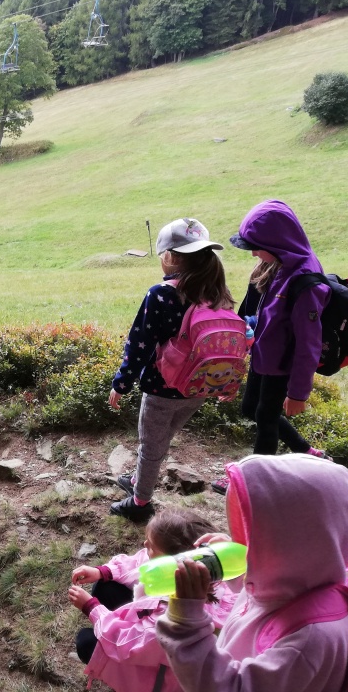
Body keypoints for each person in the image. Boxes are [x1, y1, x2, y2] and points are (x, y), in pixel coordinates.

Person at [157, 454, 348, 692]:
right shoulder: (301, 576)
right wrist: (236, 561)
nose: (243, 543)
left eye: (253, 536)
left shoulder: (309, 640)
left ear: (292, 545)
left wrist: (186, 625)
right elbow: (259, 589)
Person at [109, 218, 234, 522]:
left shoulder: (161, 294)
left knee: (151, 445)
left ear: (171, 257)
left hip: (161, 387)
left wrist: (121, 383)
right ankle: (140, 478)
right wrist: (226, 383)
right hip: (199, 387)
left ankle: (140, 502)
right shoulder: (217, 293)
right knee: (162, 439)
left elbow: (139, 344)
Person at [214, 200, 329, 493]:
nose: (253, 253)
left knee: (266, 418)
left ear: (277, 243)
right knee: (250, 408)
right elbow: (260, 313)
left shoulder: (306, 282)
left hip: (282, 365)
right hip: (264, 356)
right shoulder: (276, 265)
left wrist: (298, 393)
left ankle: (252, 484)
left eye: (256, 247)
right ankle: (304, 449)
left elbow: (309, 343)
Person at [68, 508, 238, 692]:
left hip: (159, 677)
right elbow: (141, 562)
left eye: (152, 547)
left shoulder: (177, 616)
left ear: (173, 563)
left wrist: (91, 608)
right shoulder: (204, 569)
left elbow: (126, 643)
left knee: (86, 641)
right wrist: (103, 571)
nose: (145, 545)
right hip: (152, 629)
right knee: (104, 585)